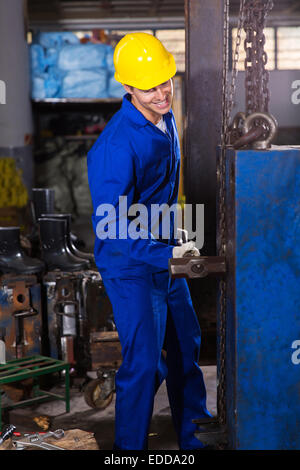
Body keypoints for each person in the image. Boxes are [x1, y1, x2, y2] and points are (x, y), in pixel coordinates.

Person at [87, 32, 211, 451]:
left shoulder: (166, 117)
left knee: (184, 349)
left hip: (164, 253)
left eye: (166, 81)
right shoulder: (115, 146)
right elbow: (111, 225)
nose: (162, 93)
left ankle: (196, 438)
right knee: (142, 365)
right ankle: (129, 451)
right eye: (150, 87)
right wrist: (166, 252)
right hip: (131, 264)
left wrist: (182, 237)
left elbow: (162, 195)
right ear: (127, 88)